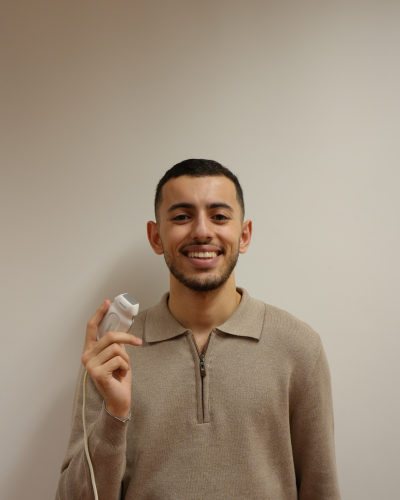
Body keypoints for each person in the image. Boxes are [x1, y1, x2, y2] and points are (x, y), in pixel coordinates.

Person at [56, 159, 341, 499]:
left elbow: (321, 489)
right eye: (181, 217)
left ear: (244, 235)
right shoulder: (113, 352)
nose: (202, 231)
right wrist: (114, 417)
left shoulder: (299, 347)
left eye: (219, 216)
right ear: (156, 237)